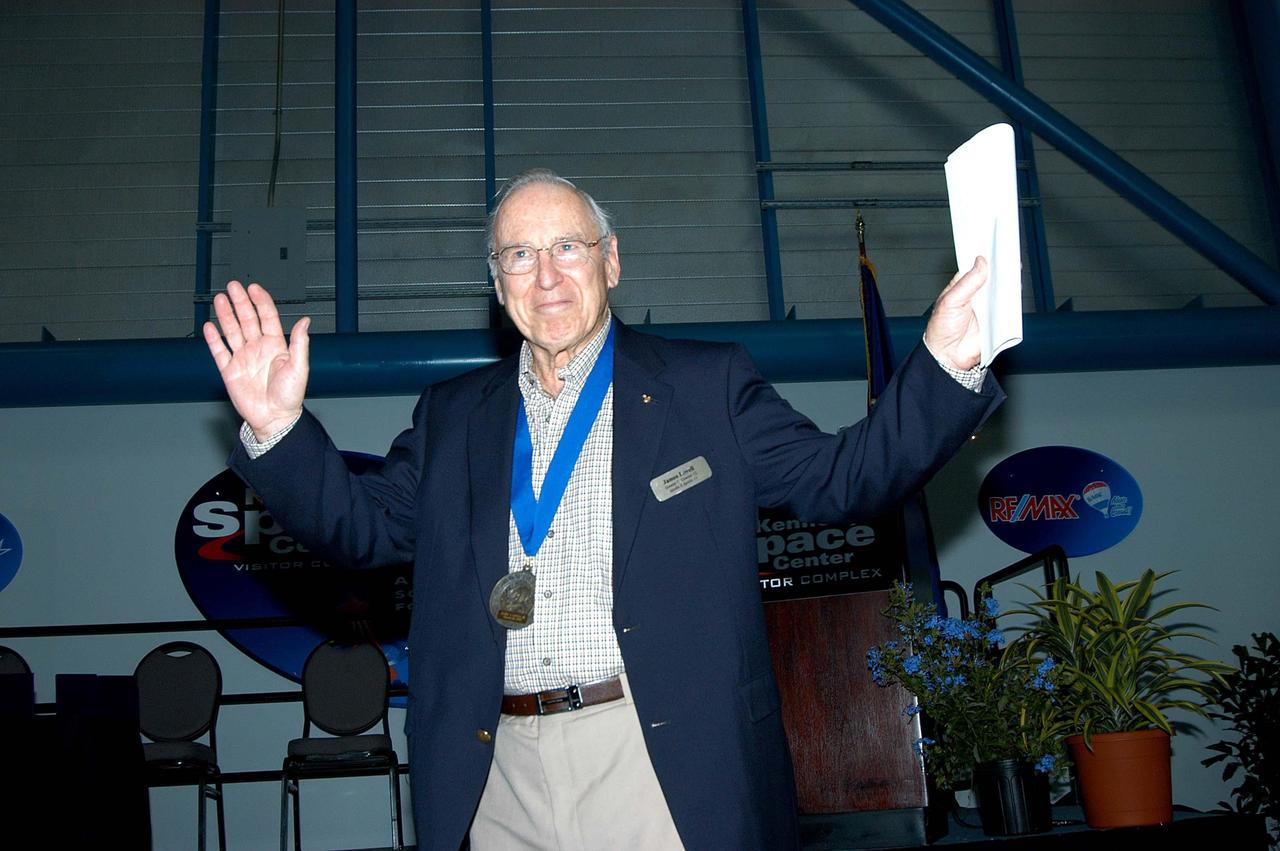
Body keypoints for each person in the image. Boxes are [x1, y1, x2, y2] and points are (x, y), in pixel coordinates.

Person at [203, 168, 1004, 851]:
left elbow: (844, 478)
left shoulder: (705, 388)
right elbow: (362, 525)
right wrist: (277, 429)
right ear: (496, 282)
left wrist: (942, 366)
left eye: (567, 247)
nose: (545, 275)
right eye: (519, 254)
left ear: (611, 261)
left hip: (657, 759)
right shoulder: (455, 415)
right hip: (495, 772)